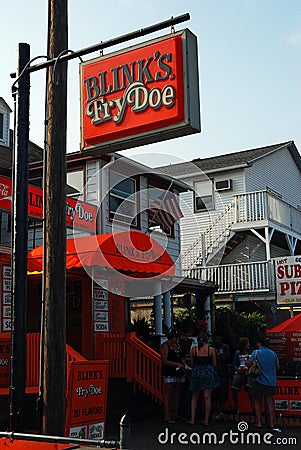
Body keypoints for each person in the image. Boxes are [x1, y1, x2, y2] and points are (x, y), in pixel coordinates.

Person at [247, 336, 280, 431]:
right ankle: (272, 424)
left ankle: (259, 422)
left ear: (259, 343)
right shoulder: (273, 354)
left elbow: (249, 364)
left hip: (259, 380)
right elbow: (277, 367)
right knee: (270, 401)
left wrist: (246, 361)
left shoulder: (256, 352)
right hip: (271, 381)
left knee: (257, 401)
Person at [187, 331, 220, 426]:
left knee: (194, 396)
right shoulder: (211, 350)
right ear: (207, 340)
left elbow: (192, 363)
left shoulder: (193, 350)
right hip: (208, 373)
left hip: (197, 372)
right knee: (207, 397)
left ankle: (192, 419)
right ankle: (206, 420)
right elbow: (214, 364)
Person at [160, 329, 185, 423]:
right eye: (176, 337)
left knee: (177, 392)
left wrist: (183, 364)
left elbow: (180, 356)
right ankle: (167, 415)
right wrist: (176, 364)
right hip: (169, 370)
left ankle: (175, 413)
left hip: (178, 371)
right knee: (168, 392)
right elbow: (164, 360)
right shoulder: (165, 346)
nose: (177, 339)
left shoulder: (177, 346)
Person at [230, 336, 254, 413]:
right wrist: (238, 370)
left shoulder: (252, 352)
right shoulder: (237, 353)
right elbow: (234, 364)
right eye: (248, 343)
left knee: (250, 388)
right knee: (234, 387)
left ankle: (253, 406)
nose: (249, 344)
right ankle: (235, 405)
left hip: (248, 372)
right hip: (239, 372)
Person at [212, 334, 230, 420]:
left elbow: (226, 358)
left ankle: (221, 411)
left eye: (219, 338)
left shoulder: (225, 347)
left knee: (222, 392)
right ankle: (215, 411)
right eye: (216, 338)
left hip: (223, 372)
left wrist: (216, 357)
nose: (217, 340)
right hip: (213, 372)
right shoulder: (211, 347)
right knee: (214, 393)